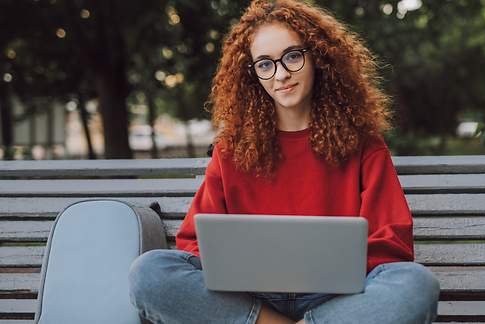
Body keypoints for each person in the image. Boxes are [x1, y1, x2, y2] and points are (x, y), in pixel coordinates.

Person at [128, 0, 440, 323]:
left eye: (292, 56)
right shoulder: (230, 150)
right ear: (252, 74)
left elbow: (393, 245)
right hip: (250, 298)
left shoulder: (364, 144)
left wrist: (339, 271)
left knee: (417, 285)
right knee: (148, 273)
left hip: (338, 298)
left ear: (317, 56)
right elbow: (192, 244)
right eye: (265, 64)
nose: (281, 75)